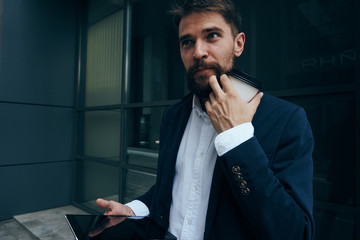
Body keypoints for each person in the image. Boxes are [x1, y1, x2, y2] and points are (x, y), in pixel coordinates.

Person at [96, 0, 315, 239]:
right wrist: (133, 210)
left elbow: (296, 232)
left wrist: (238, 139)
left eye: (212, 35)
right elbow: (172, 188)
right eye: (187, 42)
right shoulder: (174, 115)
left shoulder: (286, 120)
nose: (198, 52)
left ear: (238, 44)